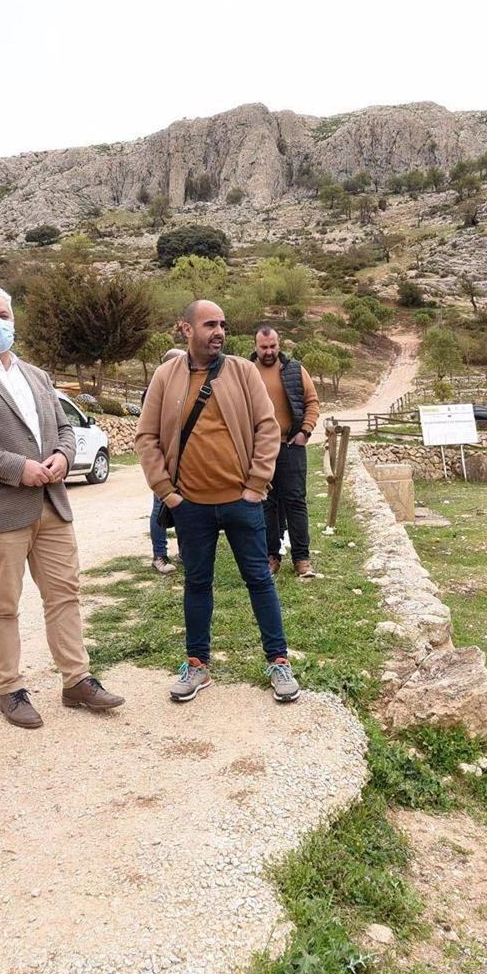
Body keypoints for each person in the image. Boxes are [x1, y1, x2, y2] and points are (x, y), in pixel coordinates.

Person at [0, 286, 124, 726]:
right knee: (3, 603)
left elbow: (64, 428)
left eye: (4, 314)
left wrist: (63, 456)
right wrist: (17, 468)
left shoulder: (37, 375)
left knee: (65, 595)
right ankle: (10, 689)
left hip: (51, 503)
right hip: (0, 507)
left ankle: (76, 680)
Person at [134, 299, 299, 704]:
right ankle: (197, 665)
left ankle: (279, 662)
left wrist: (256, 484)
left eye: (222, 324)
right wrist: (167, 492)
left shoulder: (243, 371)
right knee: (197, 584)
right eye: (210, 324)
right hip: (191, 506)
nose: (219, 332)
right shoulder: (165, 376)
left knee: (259, 580)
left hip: (243, 502)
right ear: (186, 329)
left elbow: (267, 427)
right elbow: (146, 437)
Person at [250, 325, 320, 578]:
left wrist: (305, 431)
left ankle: (302, 559)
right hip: (260, 449)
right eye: (264, 347)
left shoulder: (295, 369)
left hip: (291, 447)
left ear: (279, 345)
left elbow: (312, 402)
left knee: (295, 502)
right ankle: (271, 556)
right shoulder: (246, 371)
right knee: (265, 504)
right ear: (255, 346)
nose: (269, 351)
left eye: (273, 346)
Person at [148, 348, 186, 575]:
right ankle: (159, 556)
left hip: (184, 462)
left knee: (184, 507)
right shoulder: (156, 393)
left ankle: (184, 552)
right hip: (163, 462)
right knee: (160, 507)